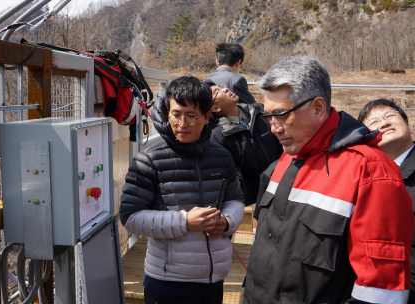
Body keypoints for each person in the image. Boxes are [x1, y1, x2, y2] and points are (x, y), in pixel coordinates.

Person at [243, 56, 414, 304]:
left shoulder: (371, 171)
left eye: (281, 115)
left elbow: (380, 289)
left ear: (318, 108)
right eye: (268, 117)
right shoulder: (285, 159)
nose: (273, 127)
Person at [119, 76, 245, 304]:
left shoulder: (222, 156)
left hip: (213, 279)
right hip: (167, 282)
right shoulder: (149, 159)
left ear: (207, 117)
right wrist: (185, 221)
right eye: (176, 115)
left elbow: (235, 199)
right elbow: (131, 217)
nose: (182, 123)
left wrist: (226, 222)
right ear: (167, 114)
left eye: (191, 116)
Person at [358, 99, 415, 303]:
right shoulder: (361, 178)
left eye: (390, 116)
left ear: (407, 124)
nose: (382, 123)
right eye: (373, 122)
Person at [205, 79, 282, 206]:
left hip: (282, 177)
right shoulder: (219, 136)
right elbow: (234, 170)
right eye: (217, 92)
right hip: (255, 193)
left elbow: (281, 140)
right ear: (215, 108)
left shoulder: (260, 111)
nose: (225, 89)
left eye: (221, 86)